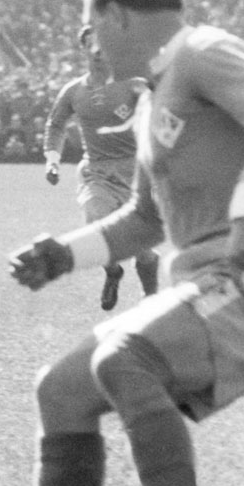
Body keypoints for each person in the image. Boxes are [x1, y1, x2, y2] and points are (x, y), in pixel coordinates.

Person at [9, 0, 244, 486]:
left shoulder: (202, 51)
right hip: (205, 284)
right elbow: (146, 221)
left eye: (90, 25)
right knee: (61, 391)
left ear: (116, 15)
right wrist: (62, 255)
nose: (91, 43)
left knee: (125, 359)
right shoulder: (151, 102)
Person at [44, 24, 159, 311]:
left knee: (143, 251)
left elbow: (164, 106)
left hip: (137, 173)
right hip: (97, 172)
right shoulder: (73, 91)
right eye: (91, 45)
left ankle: (151, 299)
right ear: (84, 49)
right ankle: (112, 272)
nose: (98, 50)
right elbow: (55, 125)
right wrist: (52, 160)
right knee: (97, 224)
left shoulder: (134, 85)